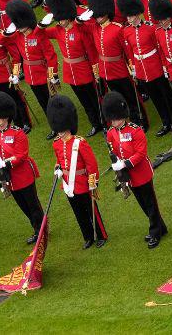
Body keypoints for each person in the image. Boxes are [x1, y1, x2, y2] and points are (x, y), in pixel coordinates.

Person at [103, 91, 168, 248]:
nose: (114, 122)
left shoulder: (135, 130)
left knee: (150, 204)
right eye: (112, 119)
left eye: (116, 118)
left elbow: (141, 153)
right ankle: (161, 228)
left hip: (141, 173)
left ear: (123, 116)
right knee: (143, 204)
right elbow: (113, 151)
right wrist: (116, 163)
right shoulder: (111, 133)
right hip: (129, 176)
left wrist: (125, 163)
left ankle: (155, 232)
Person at [0, 91, 44, 244]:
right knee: (22, 205)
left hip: (23, 174)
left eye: (0, 118)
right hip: (9, 177)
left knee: (32, 204)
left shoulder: (18, 133)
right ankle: (36, 227)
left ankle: (40, 229)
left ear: (7, 117)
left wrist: (6, 163)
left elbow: (21, 155)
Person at [48, 94, 106, 248]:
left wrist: (93, 181)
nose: (59, 132)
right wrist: (58, 168)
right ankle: (88, 236)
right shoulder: (56, 144)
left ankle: (101, 235)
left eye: (61, 129)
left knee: (91, 210)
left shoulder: (80, 142)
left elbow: (91, 164)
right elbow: (60, 160)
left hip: (82, 182)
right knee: (78, 213)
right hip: (68, 184)